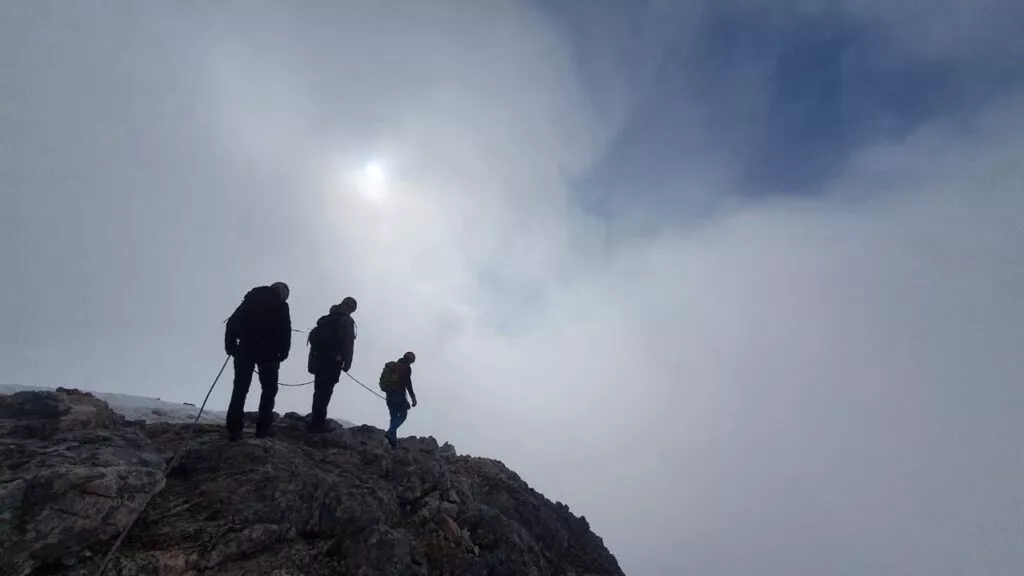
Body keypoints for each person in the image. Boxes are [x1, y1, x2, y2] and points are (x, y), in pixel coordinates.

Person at [223, 281, 292, 440]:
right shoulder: (281, 306)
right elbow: (285, 330)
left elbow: (232, 323)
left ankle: (234, 430)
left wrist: (230, 346)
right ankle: (263, 428)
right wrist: (283, 353)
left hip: (245, 349)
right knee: (269, 390)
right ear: (283, 293)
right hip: (269, 354)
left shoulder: (250, 299)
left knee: (240, 389)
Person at [306, 296, 357, 432]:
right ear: (351, 309)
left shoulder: (327, 318)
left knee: (318, 391)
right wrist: (347, 363)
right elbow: (348, 343)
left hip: (318, 361)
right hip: (333, 362)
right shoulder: (346, 321)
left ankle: (315, 422)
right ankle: (317, 425)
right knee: (325, 393)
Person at [379, 351, 417, 447]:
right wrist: (413, 398)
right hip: (399, 394)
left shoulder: (393, 366)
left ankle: (392, 440)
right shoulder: (405, 368)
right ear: (409, 360)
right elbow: (408, 384)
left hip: (389, 394)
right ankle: (391, 432)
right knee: (403, 415)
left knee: (394, 416)